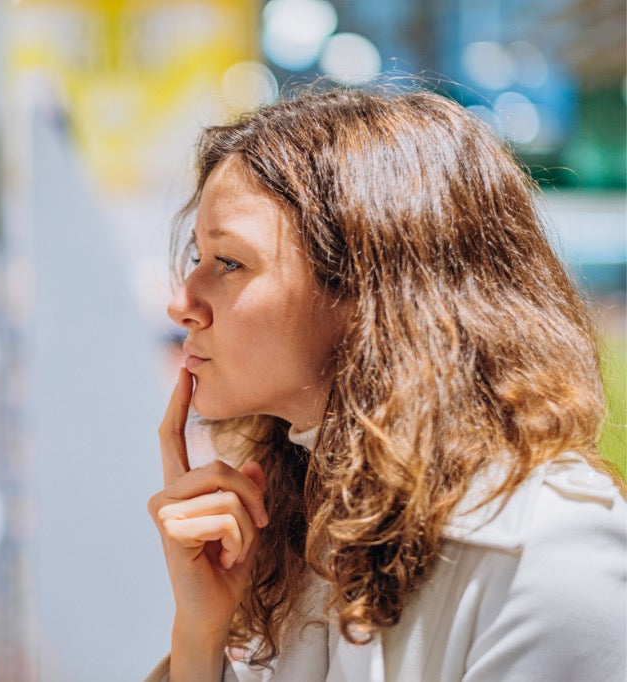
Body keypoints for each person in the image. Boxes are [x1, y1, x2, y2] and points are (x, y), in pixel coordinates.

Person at [145, 85, 627, 682]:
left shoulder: (545, 547)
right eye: (197, 255)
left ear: (368, 290)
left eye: (230, 262)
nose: (181, 303)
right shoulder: (298, 523)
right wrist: (200, 634)